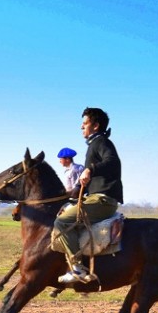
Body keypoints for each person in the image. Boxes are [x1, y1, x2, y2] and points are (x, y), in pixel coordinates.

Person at [54, 107, 123, 283]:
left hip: (102, 200)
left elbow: (112, 162)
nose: (81, 127)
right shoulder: (95, 143)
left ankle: (77, 269)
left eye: (85, 123)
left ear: (96, 126)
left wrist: (90, 169)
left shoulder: (101, 142)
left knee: (62, 221)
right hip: (95, 197)